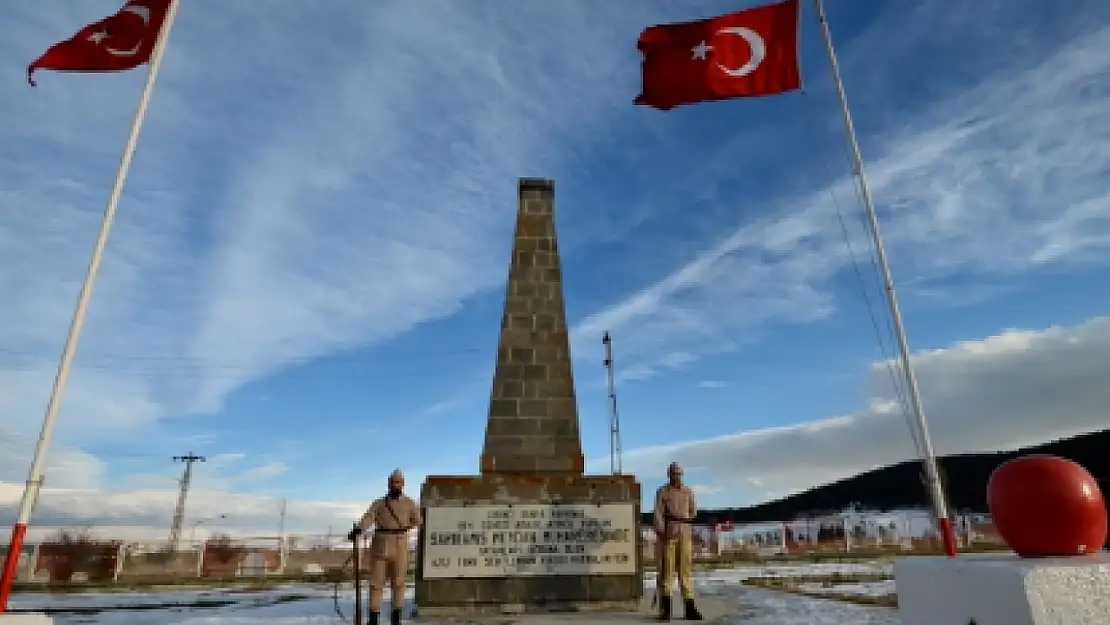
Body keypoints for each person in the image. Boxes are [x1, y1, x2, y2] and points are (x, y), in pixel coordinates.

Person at [349, 469, 422, 625]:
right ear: (388, 484)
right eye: (392, 482)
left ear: (402, 484)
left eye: (398, 482)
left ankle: (396, 618)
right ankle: (374, 617)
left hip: (400, 544)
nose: (395, 485)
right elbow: (369, 517)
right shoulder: (379, 503)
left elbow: (418, 520)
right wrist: (358, 530)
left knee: (399, 582)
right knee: (376, 583)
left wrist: (405, 527)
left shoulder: (409, 503)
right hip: (380, 544)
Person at [654, 462, 703, 621]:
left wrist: (686, 520)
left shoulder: (688, 491)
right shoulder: (663, 491)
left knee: (685, 571)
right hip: (669, 532)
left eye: (679, 473)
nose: (676, 476)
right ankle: (666, 609)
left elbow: (694, 511)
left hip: (685, 532)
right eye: (674, 473)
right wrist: (661, 530)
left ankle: (689, 608)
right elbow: (658, 513)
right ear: (669, 475)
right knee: (667, 571)